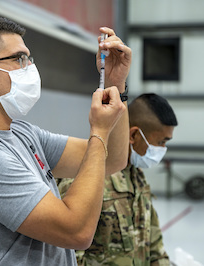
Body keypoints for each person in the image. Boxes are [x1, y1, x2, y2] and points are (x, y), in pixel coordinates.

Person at [0, 16, 131, 266]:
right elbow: (77, 231)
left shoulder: (22, 133)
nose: (29, 68)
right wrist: (98, 131)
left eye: (29, 59)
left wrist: (116, 85)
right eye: (19, 59)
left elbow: (113, 159)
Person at [58, 93, 178, 266]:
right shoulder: (87, 178)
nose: (163, 149)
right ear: (134, 135)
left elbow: (154, 249)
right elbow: (67, 257)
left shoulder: (137, 178)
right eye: (160, 142)